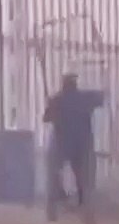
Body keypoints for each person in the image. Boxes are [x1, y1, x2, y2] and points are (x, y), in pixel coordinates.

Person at [42, 73, 104, 210]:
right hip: (76, 142)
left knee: (57, 170)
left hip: (67, 142)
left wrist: (51, 106)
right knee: (76, 173)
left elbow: (46, 118)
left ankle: (62, 198)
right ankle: (74, 199)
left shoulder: (59, 99)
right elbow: (101, 99)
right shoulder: (83, 98)